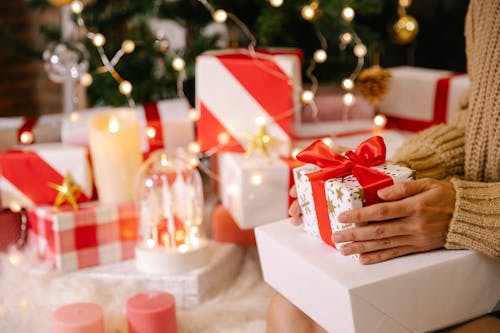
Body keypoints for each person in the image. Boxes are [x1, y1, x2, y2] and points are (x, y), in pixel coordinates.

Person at [267, 0, 500, 331]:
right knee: (291, 313)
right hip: (475, 260)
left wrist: (467, 214)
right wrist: (391, 175)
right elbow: (481, 118)